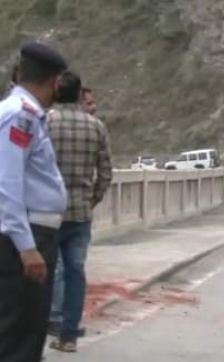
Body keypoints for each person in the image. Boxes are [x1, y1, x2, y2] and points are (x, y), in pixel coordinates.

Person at [0, 42, 69, 362]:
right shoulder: (20, 116)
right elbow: (7, 183)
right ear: (55, 82)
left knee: (27, 329)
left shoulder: (25, 114)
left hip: (33, 233)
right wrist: (27, 247)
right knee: (20, 334)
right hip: (27, 236)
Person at [46, 72, 112, 353]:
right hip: (80, 212)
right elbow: (106, 173)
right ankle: (69, 336)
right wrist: (90, 200)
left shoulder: (45, 122)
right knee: (76, 271)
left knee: (50, 271)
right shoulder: (96, 126)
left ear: (58, 90)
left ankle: (49, 324)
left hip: (47, 211)